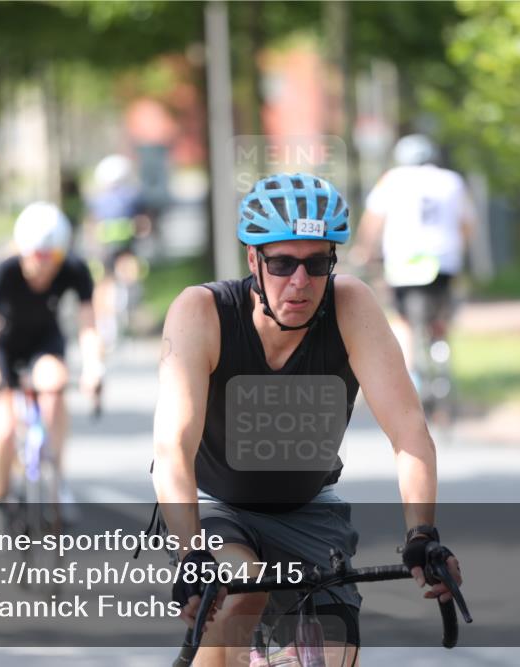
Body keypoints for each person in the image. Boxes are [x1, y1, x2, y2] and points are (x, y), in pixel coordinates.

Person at [152, 173, 462, 666]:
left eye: (317, 263)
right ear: (253, 259)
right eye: (281, 263)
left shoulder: (351, 306)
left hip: (310, 509)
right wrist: (190, 553)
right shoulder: (202, 312)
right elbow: (172, 448)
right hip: (217, 507)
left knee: (338, 651)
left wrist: (421, 534)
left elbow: (409, 435)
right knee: (246, 589)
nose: (300, 281)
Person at [0, 202, 104, 505]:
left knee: (54, 388)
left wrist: (94, 367)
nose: (44, 266)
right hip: (5, 346)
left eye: (52, 257)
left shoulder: (75, 270)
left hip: (44, 341)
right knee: (3, 429)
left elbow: (88, 326)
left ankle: (56, 476)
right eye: (37, 256)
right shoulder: (3, 272)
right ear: (23, 250)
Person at [353, 134, 478, 400]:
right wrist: (459, 249)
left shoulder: (391, 180)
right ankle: (440, 347)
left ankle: (413, 376)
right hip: (443, 261)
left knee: (403, 319)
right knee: (441, 310)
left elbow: (372, 222)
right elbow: (467, 224)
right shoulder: (452, 181)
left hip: (404, 262)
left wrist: (364, 251)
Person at [86, 153, 151, 345]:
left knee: (104, 284)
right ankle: (127, 314)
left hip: (104, 248)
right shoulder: (133, 196)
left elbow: (91, 224)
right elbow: (143, 223)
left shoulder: (97, 199)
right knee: (129, 279)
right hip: (126, 247)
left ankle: (106, 324)